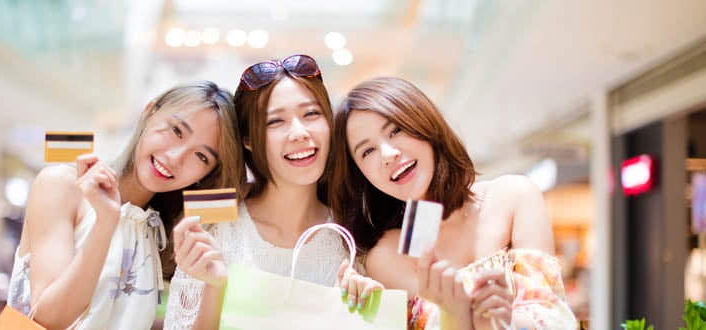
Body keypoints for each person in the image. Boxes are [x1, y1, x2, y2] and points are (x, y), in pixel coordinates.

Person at [330, 77, 577, 329]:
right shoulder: (386, 255)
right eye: (367, 151)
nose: (388, 153)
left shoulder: (514, 196)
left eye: (395, 130)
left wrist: (501, 321)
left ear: (424, 123)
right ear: (362, 175)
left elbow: (552, 316)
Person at [164, 54, 381, 330]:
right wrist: (215, 287)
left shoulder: (353, 237)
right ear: (248, 140)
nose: (299, 132)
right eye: (275, 121)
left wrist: (368, 308)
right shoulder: (216, 229)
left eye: (311, 114)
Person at [6, 81, 245, 329]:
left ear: (205, 175)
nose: (176, 158)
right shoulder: (63, 186)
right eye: (176, 131)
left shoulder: (155, 232)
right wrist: (105, 222)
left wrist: (215, 287)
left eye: (201, 156)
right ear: (149, 112)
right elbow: (49, 319)